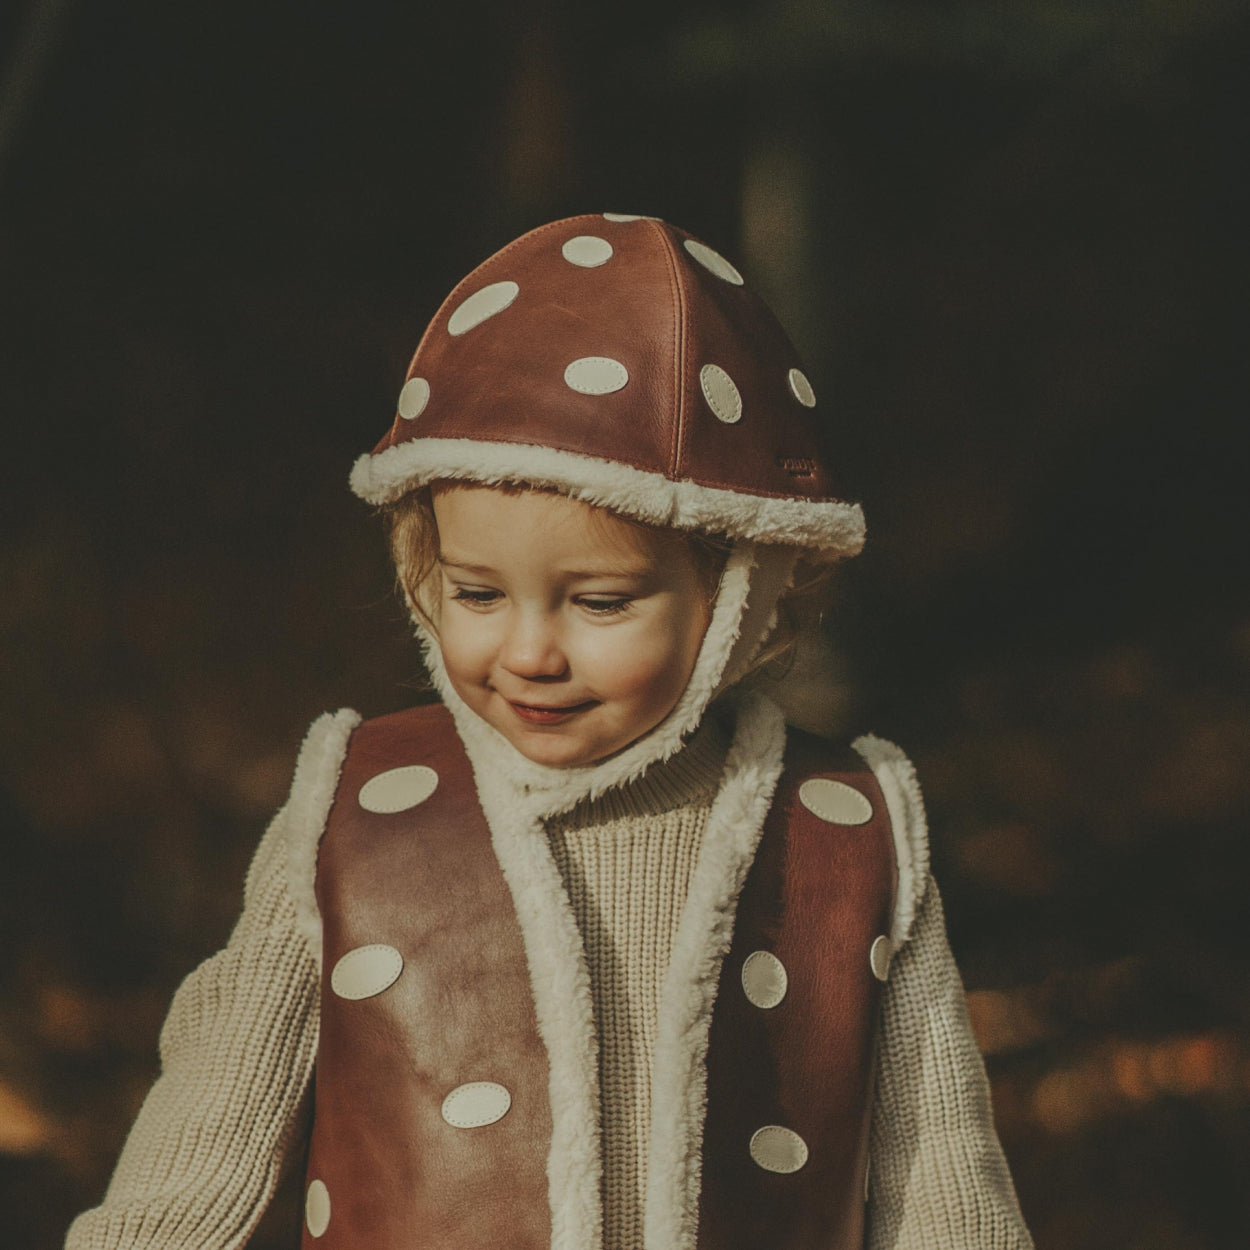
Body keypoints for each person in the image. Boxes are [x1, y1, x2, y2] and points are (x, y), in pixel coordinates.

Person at [65, 214, 1033, 1250]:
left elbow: (942, 1179)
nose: (528, 650)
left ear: (745, 592)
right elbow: (200, 1150)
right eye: (476, 592)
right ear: (419, 569)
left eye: (600, 601)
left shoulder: (846, 834)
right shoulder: (353, 817)